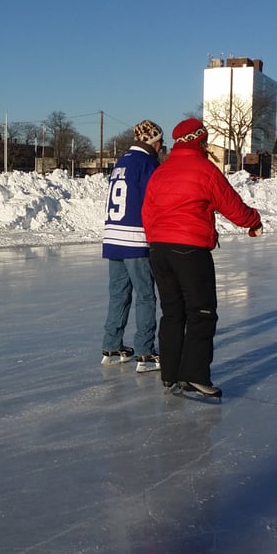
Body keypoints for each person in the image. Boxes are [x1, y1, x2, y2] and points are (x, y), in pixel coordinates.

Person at [141, 118, 263, 399]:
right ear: (199, 140)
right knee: (202, 311)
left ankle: (170, 374)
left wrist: (156, 240)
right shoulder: (204, 169)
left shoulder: (161, 171)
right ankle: (194, 375)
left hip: (159, 249)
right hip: (190, 250)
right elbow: (230, 204)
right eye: (205, 139)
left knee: (172, 312)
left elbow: (147, 211)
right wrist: (253, 221)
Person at [101, 120, 164, 373]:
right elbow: (156, 200)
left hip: (113, 236)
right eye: (160, 141)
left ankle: (112, 345)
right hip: (135, 239)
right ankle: (145, 352)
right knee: (146, 296)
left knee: (119, 294)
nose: (161, 146)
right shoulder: (148, 164)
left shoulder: (122, 162)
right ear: (153, 141)